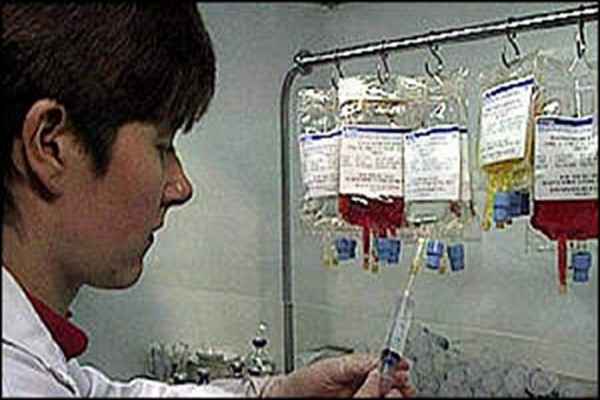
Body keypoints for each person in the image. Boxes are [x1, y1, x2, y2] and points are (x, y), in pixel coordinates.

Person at [0, 3, 416, 397]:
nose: (181, 187)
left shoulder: (34, 353)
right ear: (51, 145)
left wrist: (275, 392)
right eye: (163, 146)